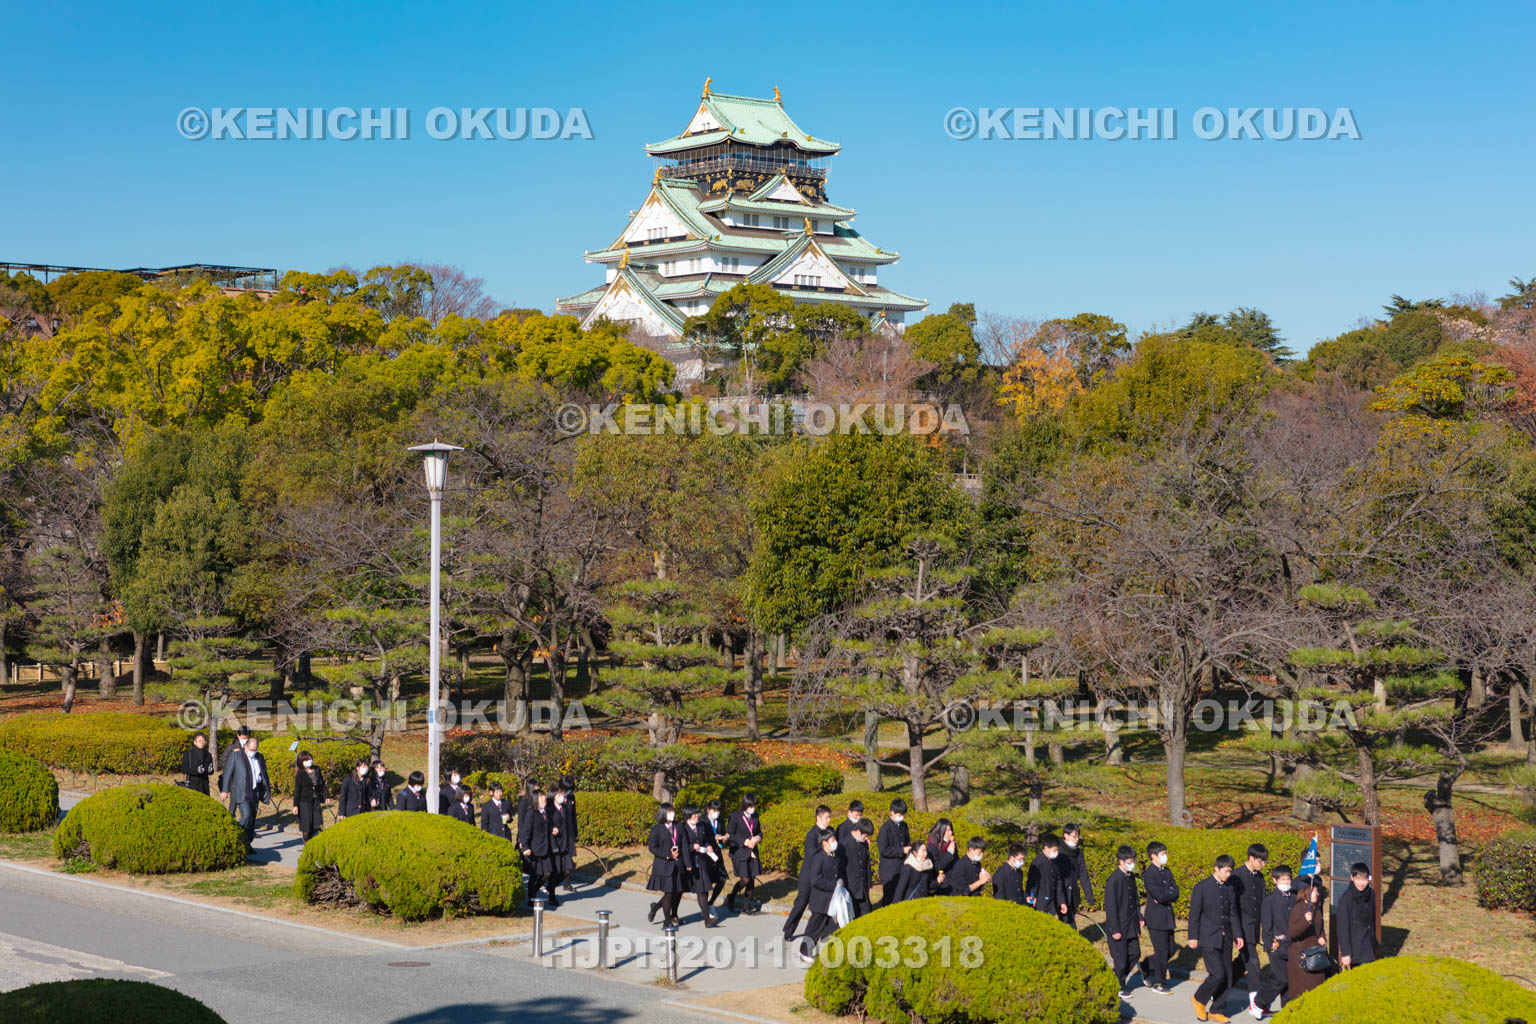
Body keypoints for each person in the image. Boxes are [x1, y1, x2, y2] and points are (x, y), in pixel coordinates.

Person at [1188, 854, 1244, 1023]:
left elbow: (1233, 913)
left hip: (1226, 937)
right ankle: (1198, 999)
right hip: (1208, 937)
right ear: (1216, 868)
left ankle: (1217, 1010)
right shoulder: (1202, 887)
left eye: (1230, 871)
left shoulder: (1229, 888)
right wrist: (1193, 937)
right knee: (1217, 974)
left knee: (1227, 976)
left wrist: (1238, 934)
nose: (1229, 875)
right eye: (1226, 871)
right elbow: (1194, 914)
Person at [1230, 843, 1268, 1020]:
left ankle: (1219, 988)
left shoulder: (1260, 877)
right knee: (1253, 961)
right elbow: (1232, 906)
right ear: (1251, 858)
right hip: (1240, 925)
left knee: (1242, 961)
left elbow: (1261, 902)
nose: (1263, 865)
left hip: (1254, 924)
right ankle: (1256, 1002)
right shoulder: (1236, 876)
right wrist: (1235, 930)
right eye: (1261, 861)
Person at [784, 805, 834, 940]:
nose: (829, 820)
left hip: (822, 875)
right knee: (801, 903)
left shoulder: (830, 832)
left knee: (822, 905)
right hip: (808, 875)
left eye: (830, 817)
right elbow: (812, 855)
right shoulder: (811, 835)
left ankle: (822, 933)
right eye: (826, 817)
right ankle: (789, 930)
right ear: (818, 818)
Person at [1253, 864, 1296, 1017]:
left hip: (1292, 945)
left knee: (1290, 980)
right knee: (1280, 979)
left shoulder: (1294, 897)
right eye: (1282, 879)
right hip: (1277, 945)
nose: (1286, 882)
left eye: (1288, 879)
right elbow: (1266, 924)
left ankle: (1287, 1009)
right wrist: (1268, 943)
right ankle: (1258, 1002)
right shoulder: (1270, 900)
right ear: (1275, 880)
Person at [1140, 840, 1179, 994]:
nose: (1165, 856)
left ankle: (1147, 965)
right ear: (1153, 856)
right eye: (1162, 854)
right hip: (1156, 918)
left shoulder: (1167, 871)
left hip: (1168, 916)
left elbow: (1175, 892)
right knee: (1162, 951)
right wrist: (1167, 894)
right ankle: (1160, 982)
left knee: (1170, 949)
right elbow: (1159, 896)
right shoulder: (1149, 874)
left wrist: (1168, 894)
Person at [798, 829, 841, 963]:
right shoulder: (818, 858)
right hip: (820, 900)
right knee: (814, 928)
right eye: (832, 841)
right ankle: (804, 951)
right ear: (824, 843)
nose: (835, 843)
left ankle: (827, 951)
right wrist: (834, 886)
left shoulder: (834, 857)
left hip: (832, 901)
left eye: (835, 840)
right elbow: (815, 880)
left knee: (832, 927)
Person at [1105, 845, 1142, 998]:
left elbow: (1135, 899)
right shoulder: (1113, 880)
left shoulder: (1130, 877)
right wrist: (1115, 929)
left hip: (1131, 924)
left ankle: (1115, 979)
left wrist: (1140, 917)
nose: (1131, 864)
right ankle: (1120, 986)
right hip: (1118, 926)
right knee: (1120, 960)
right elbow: (1111, 907)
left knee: (1135, 953)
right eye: (1129, 861)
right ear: (1121, 861)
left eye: (1133, 861)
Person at [1284, 876, 1329, 1004]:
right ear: (1305, 893)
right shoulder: (1297, 909)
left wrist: (1322, 938)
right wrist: (1305, 921)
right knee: (1301, 993)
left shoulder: (1317, 908)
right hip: (1302, 957)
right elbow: (1292, 932)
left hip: (1317, 955)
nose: (1318, 893)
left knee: (1317, 990)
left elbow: (1321, 929)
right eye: (1315, 891)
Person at [219, 736, 268, 848]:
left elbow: (263, 773)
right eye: (251, 750)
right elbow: (227, 773)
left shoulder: (259, 757)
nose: (253, 752)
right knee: (246, 816)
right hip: (242, 792)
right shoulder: (236, 756)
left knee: (252, 820)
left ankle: (247, 844)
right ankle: (236, 836)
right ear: (245, 746)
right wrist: (225, 790)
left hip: (255, 791)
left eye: (255, 750)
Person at [646, 802, 686, 927]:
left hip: (678, 864)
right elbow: (652, 847)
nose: (672, 814)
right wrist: (668, 855)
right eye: (669, 812)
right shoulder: (657, 829)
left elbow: (683, 843)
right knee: (668, 893)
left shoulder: (678, 826)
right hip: (664, 865)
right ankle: (667, 921)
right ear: (663, 813)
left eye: (673, 811)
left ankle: (656, 907)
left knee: (677, 891)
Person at [681, 805, 721, 927]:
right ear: (688, 816)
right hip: (691, 863)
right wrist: (692, 847)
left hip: (703, 861)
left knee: (704, 889)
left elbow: (705, 840)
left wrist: (708, 845)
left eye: (697, 814)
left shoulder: (701, 826)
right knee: (678, 893)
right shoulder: (683, 828)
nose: (696, 817)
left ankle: (707, 918)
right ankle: (667, 912)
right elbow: (682, 846)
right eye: (693, 815)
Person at [1335, 862, 1379, 970]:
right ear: (1352, 878)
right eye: (1358, 879)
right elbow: (1342, 928)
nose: (1361, 883)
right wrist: (1346, 953)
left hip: (1368, 946)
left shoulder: (1370, 894)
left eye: (1364, 879)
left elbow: (1372, 919)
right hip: (1355, 949)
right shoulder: (1346, 900)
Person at [726, 793, 764, 914]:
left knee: (752, 879)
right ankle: (731, 897)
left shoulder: (755, 816)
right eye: (750, 805)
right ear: (745, 805)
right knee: (745, 880)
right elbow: (730, 835)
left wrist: (757, 837)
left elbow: (759, 832)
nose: (753, 808)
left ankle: (746, 906)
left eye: (754, 806)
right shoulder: (735, 816)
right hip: (739, 851)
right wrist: (744, 841)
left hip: (752, 851)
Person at [516, 787, 551, 903]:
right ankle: (531, 898)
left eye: (543, 796)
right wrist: (525, 847)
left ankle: (534, 892)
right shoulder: (531, 813)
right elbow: (525, 831)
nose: (543, 798)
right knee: (535, 874)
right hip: (534, 849)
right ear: (536, 799)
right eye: (541, 797)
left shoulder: (545, 812)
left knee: (546, 873)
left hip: (545, 848)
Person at [876, 799, 911, 908]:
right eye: (899, 814)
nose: (901, 817)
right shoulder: (885, 829)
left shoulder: (904, 825)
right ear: (892, 813)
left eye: (903, 814)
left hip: (902, 866)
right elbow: (883, 849)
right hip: (889, 870)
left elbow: (907, 841)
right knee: (889, 898)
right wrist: (901, 850)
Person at [1060, 823, 1094, 929]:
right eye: (1074, 836)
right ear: (1066, 835)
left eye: (1078, 836)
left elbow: (1083, 874)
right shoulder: (1058, 851)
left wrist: (1089, 896)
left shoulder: (1079, 853)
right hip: (1060, 893)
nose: (1076, 839)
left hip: (1073, 893)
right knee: (1066, 923)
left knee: (1071, 920)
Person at [1027, 834, 1068, 919]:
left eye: (1057, 850)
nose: (1056, 852)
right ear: (1046, 848)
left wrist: (1062, 901)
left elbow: (1059, 882)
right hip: (1040, 905)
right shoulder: (1037, 863)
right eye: (1054, 850)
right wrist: (1032, 898)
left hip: (1053, 904)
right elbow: (1032, 885)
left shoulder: (1054, 862)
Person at [843, 818, 875, 917]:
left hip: (863, 886)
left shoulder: (864, 843)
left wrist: (869, 882)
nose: (866, 838)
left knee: (866, 913)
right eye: (865, 835)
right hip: (850, 886)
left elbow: (867, 864)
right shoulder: (845, 844)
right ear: (858, 831)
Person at [545, 787, 571, 906]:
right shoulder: (549, 810)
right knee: (554, 871)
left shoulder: (564, 808)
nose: (561, 796)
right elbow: (546, 825)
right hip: (555, 843)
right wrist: (552, 829)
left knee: (568, 869)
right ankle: (552, 897)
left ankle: (550, 887)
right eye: (559, 794)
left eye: (562, 793)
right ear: (553, 796)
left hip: (564, 843)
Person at [292, 750, 326, 841]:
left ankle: (314, 843)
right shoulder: (300, 773)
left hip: (316, 800)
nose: (309, 761)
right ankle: (307, 843)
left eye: (310, 759)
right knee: (306, 826)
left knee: (316, 824)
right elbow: (297, 790)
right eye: (306, 760)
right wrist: (295, 805)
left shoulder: (317, 769)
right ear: (301, 762)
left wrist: (326, 796)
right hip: (304, 802)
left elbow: (322, 784)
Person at [704, 799, 730, 906]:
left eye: (718, 810)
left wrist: (724, 838)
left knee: (721, 879)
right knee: (706, 882)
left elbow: (722, 834)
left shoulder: (720, 820)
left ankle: (710, 903)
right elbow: (700, 837)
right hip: (706, 853)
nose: (716, 812)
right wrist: (712, 838)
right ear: (708, 810)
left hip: (717, 853)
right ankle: (705, 907)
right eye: (714, 810)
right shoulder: (702, 820)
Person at [927, 819, 957, 895]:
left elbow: (956, 860)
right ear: (940, 831)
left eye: (951, 830)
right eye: (947, 830)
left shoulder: (950, 843)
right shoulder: (932, 846)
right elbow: (938, 867)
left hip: (952, 880)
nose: (951, 833)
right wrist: (949, 852)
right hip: (940, 884)